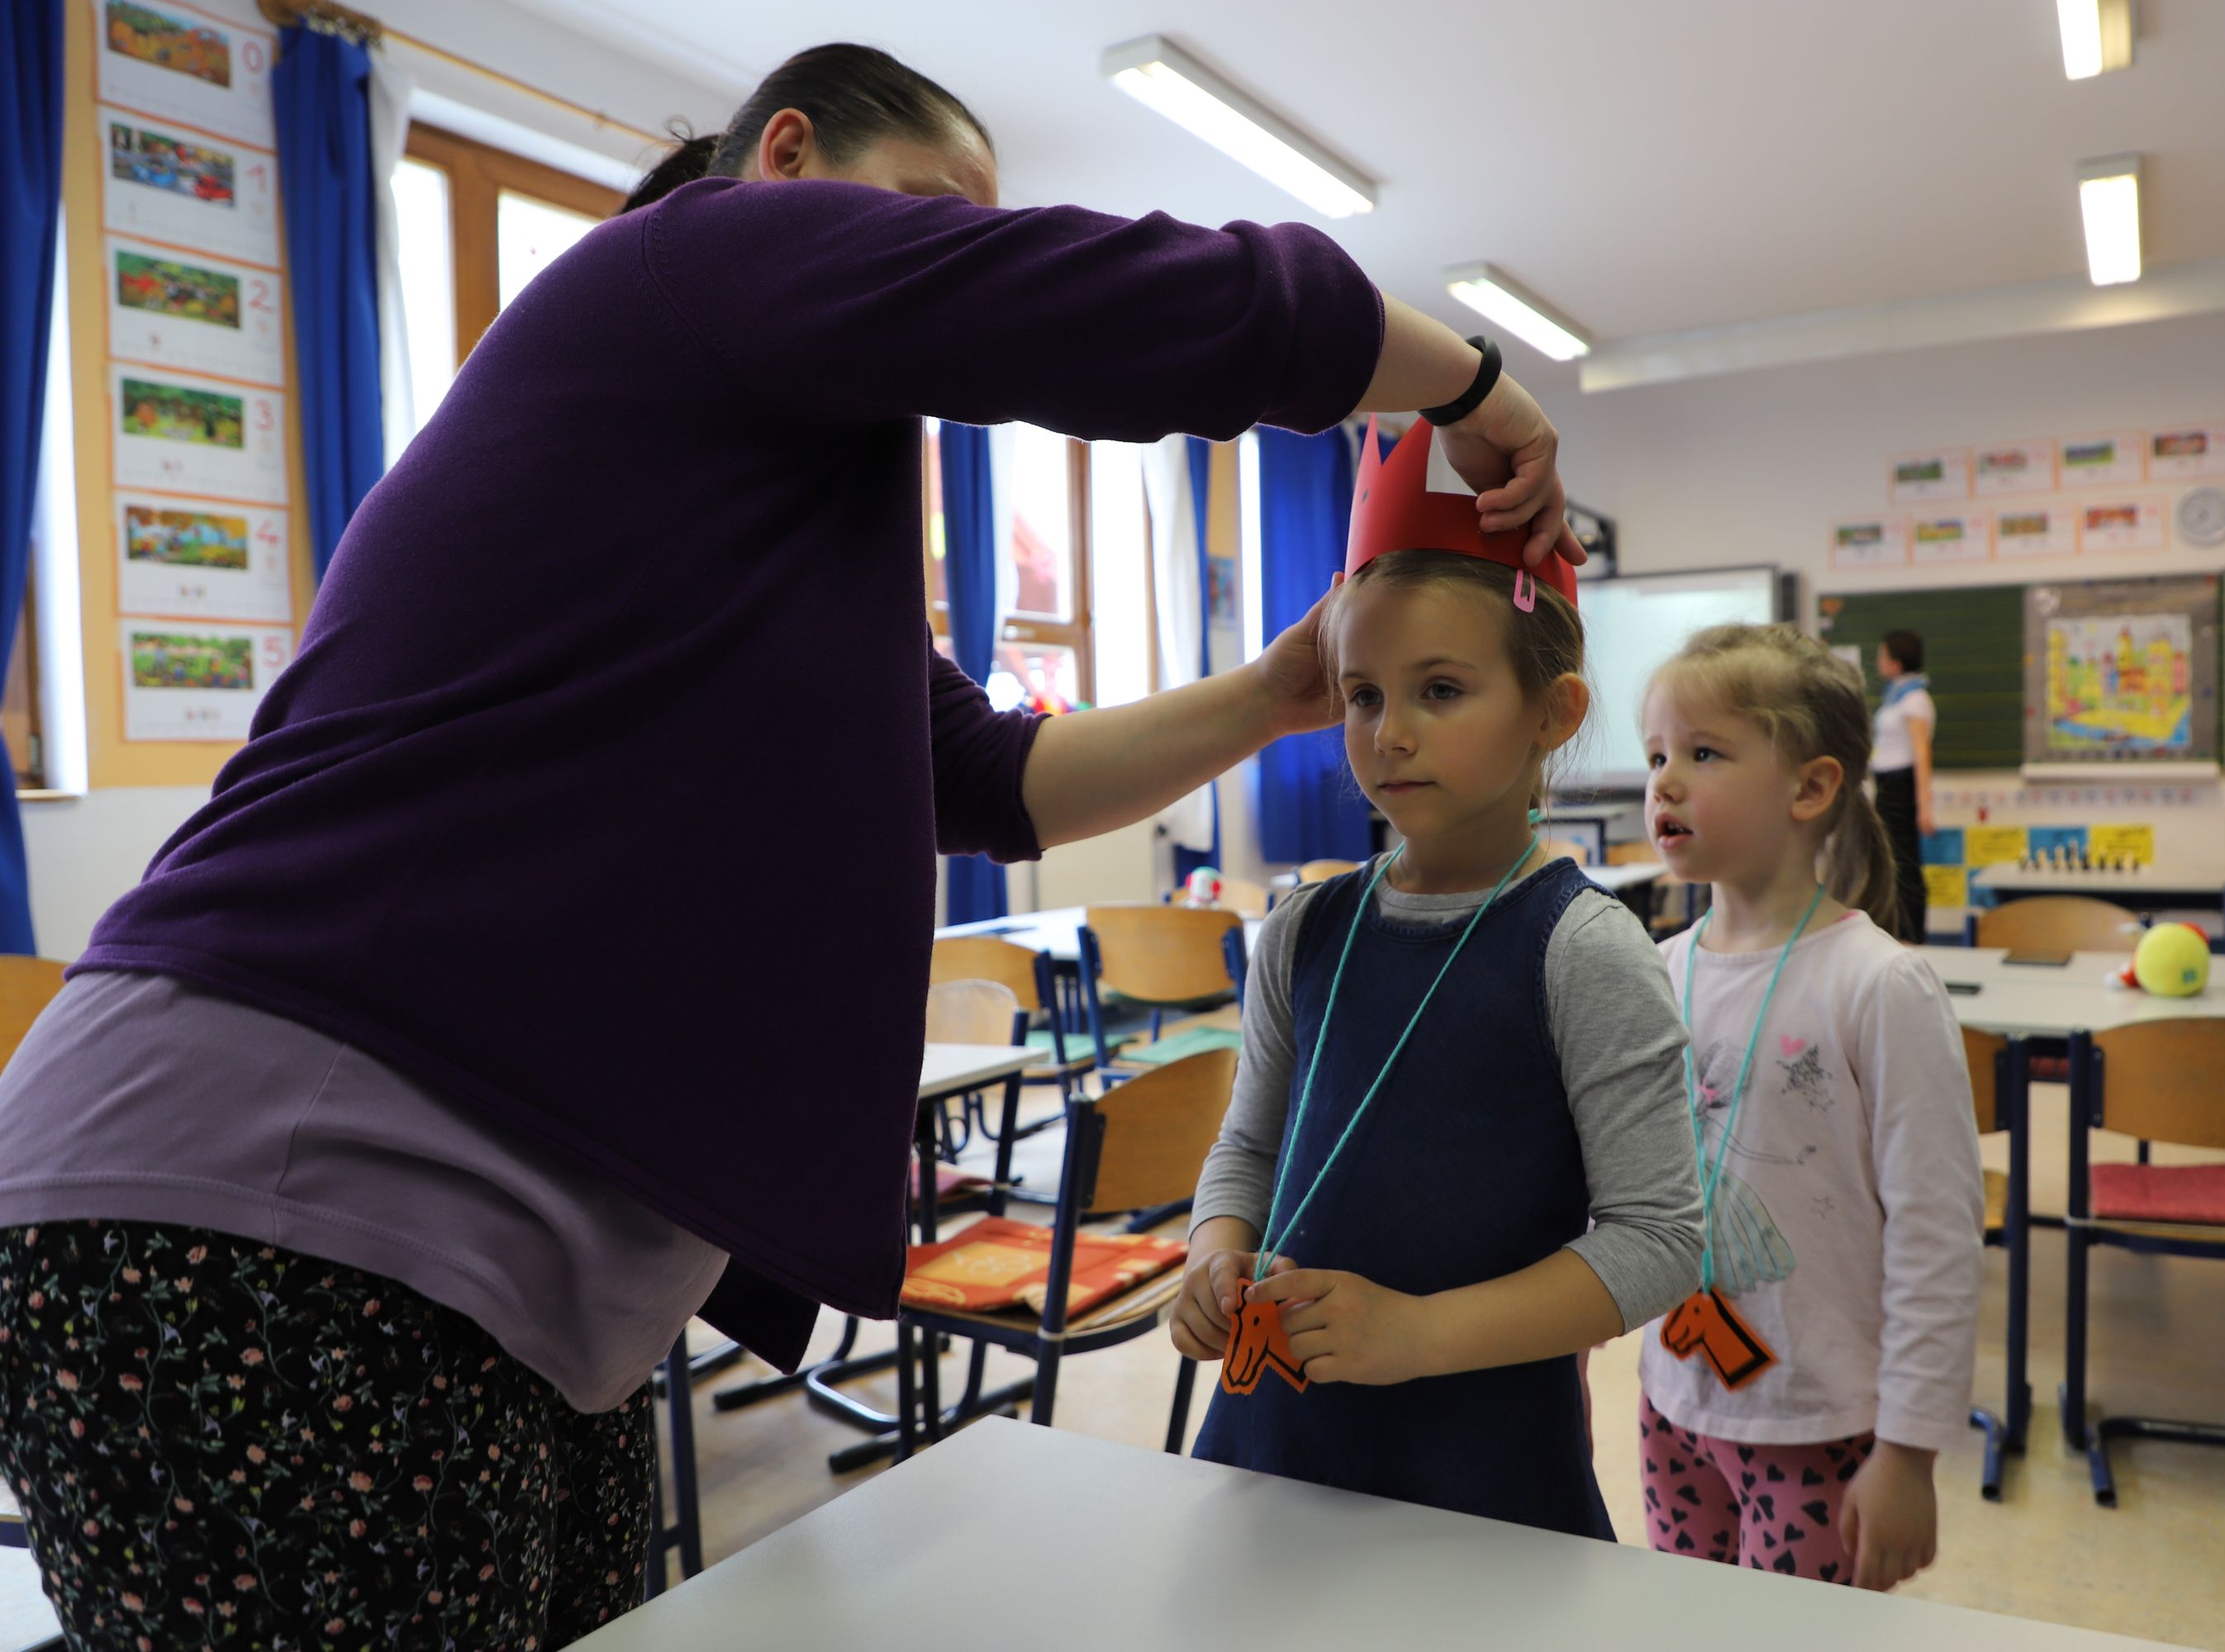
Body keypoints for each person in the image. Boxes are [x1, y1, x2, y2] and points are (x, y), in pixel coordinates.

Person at [0, 45, 1592, 1649]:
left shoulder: (756, 514)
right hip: (268, 1198)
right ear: (781, 158)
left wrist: (1274, 694)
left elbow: (990, 776)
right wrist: (1469, 386)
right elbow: (1116, 306)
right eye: (931, 215)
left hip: (498, 1272)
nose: (949, 259)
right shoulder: (685, 258)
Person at [1169, 420, 1704, 1540]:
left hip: (1481, 1477)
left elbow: (1658, 1238)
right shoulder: (1304, 929)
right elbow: (1251, 1147)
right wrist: (1214, 1255)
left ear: (1552, 713)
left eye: (1442, 690)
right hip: (1275, 1444)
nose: (1390, 733)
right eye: (1363, 695)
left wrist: (1417, 1334)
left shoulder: (1583, 948)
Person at [1638, 624, 1982, 1589]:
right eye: (1656, 755)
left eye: (1704, 753)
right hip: (1672, 1400)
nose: (1664, 782)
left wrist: (1909, 1450)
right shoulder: (1655, 972)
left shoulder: (1882, 984)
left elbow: (1937, 1231)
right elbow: (1621, 1186)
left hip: (1820, 1421)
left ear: (1810, 787)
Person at [1869, 629, 1935, 943]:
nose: (1878, 662)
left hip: (1901, 787)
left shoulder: (1914, 699)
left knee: (1905, 863)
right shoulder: (1896, 695)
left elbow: (1922, 755)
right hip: (1887, 786)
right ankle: (1897, 931)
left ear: (1896, 662)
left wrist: (1924, 807)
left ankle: (1911, 935)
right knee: (1892, 862)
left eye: (1882, 656)